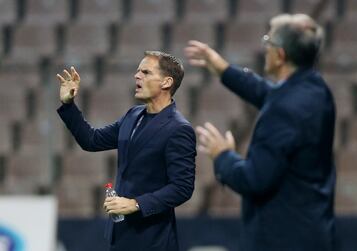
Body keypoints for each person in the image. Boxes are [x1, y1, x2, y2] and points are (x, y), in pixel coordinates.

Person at [185, 14, 336, 251]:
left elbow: (254, 180)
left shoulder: (283, 110)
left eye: (268, 41)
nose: (265, 47)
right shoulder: (316, 90)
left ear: (280, 55)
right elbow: (269, 93)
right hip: (314, 233)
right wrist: (223, 69)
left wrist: (222, 156)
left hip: (283, 241)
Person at [56, 51, 196, 251]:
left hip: (152, 240)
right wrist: (68, 105)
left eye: (146, 72)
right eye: (138, 71)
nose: (137, 76)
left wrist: (136, 204)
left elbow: (182, 187)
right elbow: (91, 140)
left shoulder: (178, 129)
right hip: (121, 235)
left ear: (166, 82)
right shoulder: (133, 115)